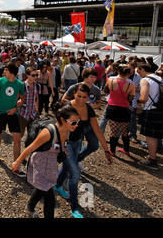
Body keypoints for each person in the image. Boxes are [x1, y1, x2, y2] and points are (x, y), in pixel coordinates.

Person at [54, 84, 112, 218]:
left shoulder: (89, 109)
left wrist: (106, 150)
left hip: (77, 142)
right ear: (74, 94)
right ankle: (75, 206)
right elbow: (58, 128)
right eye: (79, 96)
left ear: (88, 97)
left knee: (69, 167)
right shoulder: (67, 107)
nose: (81, 99)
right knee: (74, 173)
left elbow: (97, 129)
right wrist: (61, 146)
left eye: (84, 97)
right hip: (66, 143)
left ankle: (57, 184)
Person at [12, 103, 80, 218]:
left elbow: (60, 146)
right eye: (74, 122)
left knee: (41, 189)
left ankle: (29, 207)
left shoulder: (67, 131)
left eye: (78, 122)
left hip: (51, 166)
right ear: (63, 120)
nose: (76, 125)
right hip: (40, 165)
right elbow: (31, 147)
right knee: (49, 198)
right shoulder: (48, 132)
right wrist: (17, 162)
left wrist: (63, 151)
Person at [0, 61, 26, 176]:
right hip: (0, 113)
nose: (3, 71)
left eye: (6, 70)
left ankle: (16, 165)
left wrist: (15, 108)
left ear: (11, 72)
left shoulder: (20, 84)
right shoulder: (0, 81)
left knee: (17, 138)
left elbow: (22, 100)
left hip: (12, 114)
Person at [104, 64, 135, 156]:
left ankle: (112, 151)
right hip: (124, 108)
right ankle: (126, 150)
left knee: (113, 131)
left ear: (118, 72)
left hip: (112, 107)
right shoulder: (131, 84)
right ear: (128, 74)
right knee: (124, 131)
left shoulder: (111, 80)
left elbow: (106, 90)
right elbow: (130, 99)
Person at [136, 63, 162, 170]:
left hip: (150, 110)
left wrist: (138, 101)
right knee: (155, 135)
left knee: (150, 136)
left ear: (142, 69)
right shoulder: (159, 78)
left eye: (138, 71)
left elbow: (144, 97)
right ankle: (152, 156)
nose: (138, 74)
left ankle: (152, 160)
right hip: (160, 109)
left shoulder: (145, 80)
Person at [17, 67, 40, 137]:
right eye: (33, 75)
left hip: (33, 115)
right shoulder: (22, 86)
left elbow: (36, 98)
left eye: (36, 75)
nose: (35, 77)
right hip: (22, 114)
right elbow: (16, 98)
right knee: (19, 135)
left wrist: (37, 109)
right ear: (27, 75)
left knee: (32, 136)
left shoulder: (37, 86)